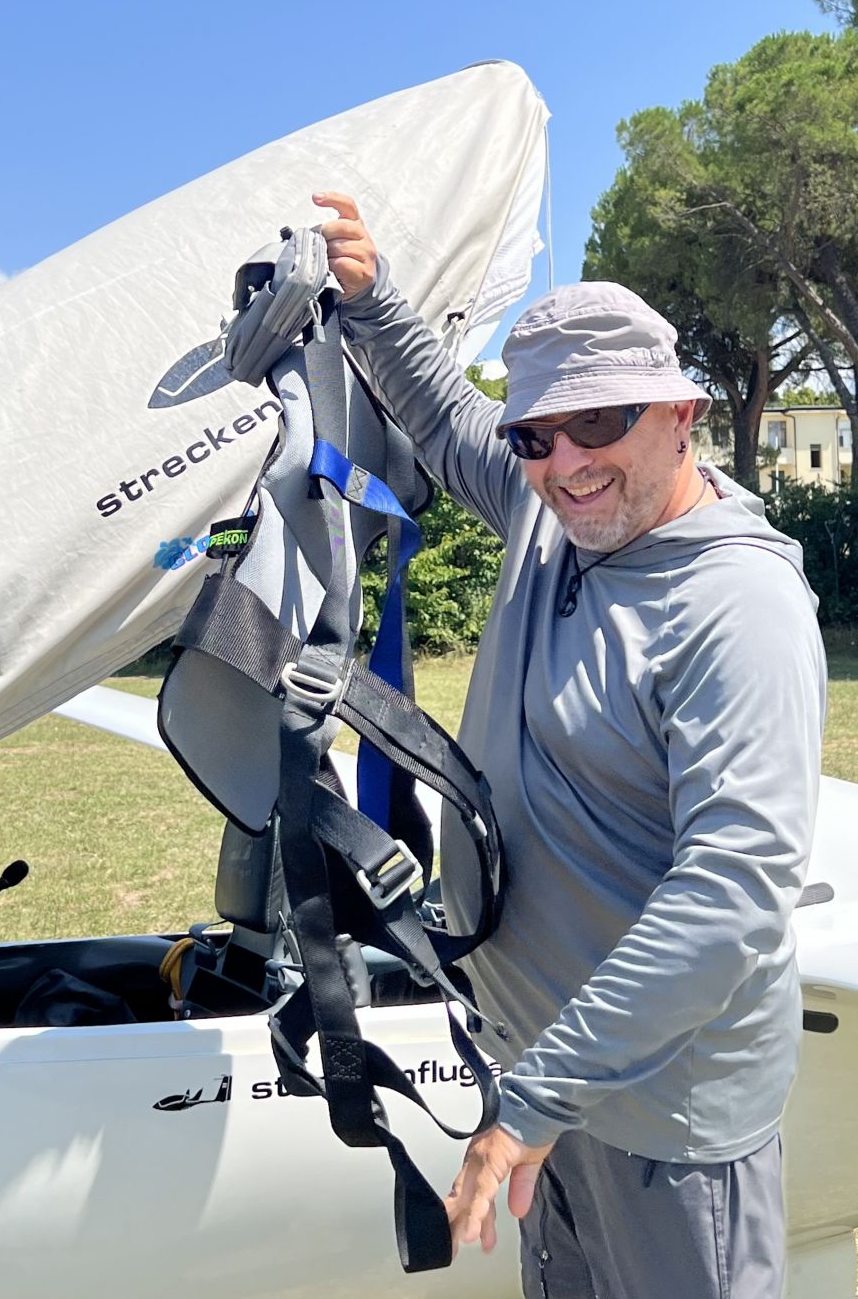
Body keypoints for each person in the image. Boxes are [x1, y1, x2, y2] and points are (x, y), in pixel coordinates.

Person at [314, 190, 825, 1299]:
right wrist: (372, 301)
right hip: (548, 1079)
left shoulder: (737, 604)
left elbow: (734, 890)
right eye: (537, 435)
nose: (567, 461)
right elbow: (447, 417)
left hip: (664, 1115)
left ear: (681, 413)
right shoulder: (550, 514)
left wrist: (536, 1101)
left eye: (600, 423)